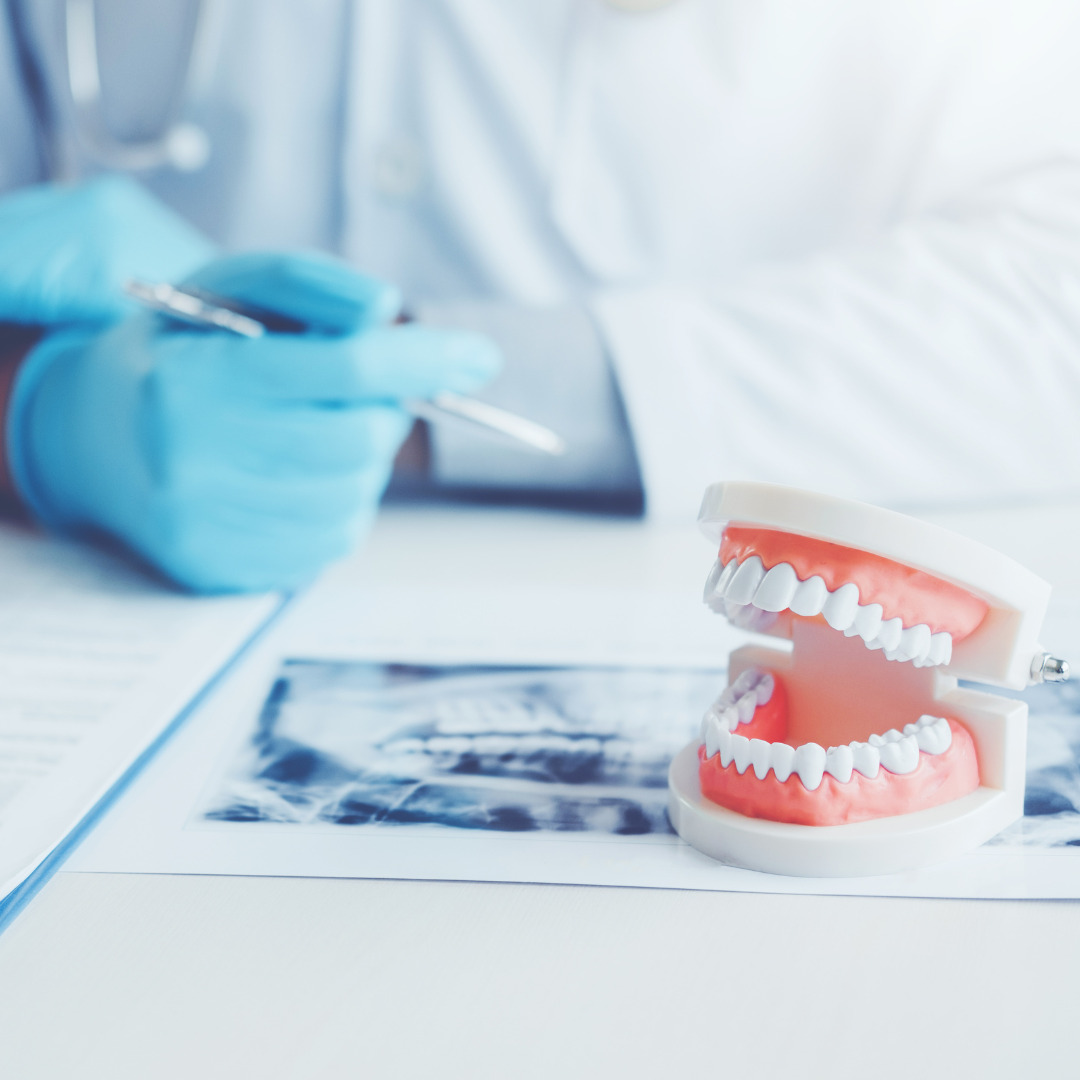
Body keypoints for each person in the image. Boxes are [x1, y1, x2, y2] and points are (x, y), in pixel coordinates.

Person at [3, 0, 1080, 593]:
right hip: (85, 610)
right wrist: (41, 416)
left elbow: (1050, 301)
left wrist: (412, 397)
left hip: (695, 612)